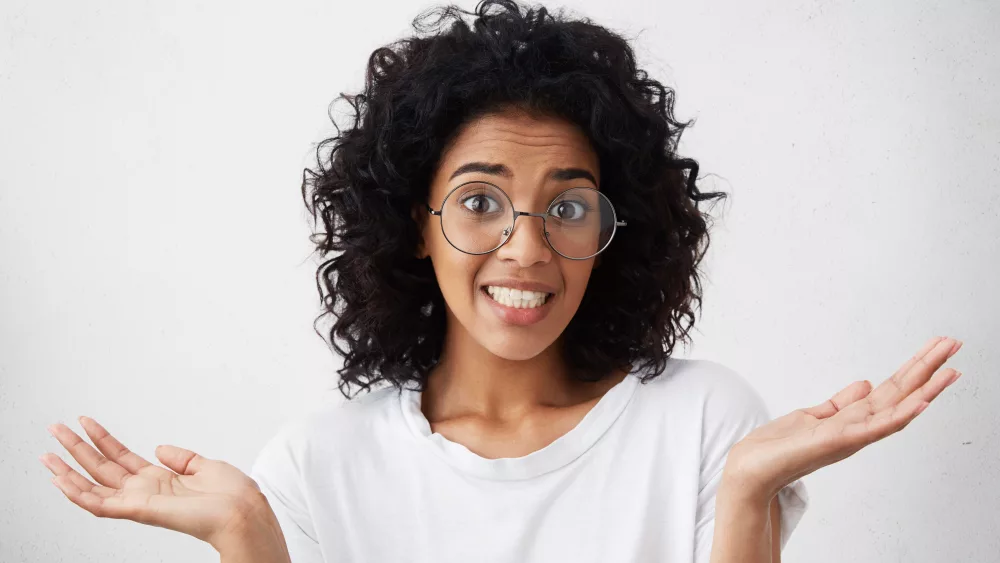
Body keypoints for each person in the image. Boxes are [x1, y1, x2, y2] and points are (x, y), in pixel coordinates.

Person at [38, 1, 965, 562]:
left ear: (614, 232)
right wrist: (246, 531)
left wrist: (751, 489)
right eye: (482, 201)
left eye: (568, 207)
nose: (526, 249)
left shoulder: (705, 425)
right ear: (414, 221)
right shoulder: (316, 467)